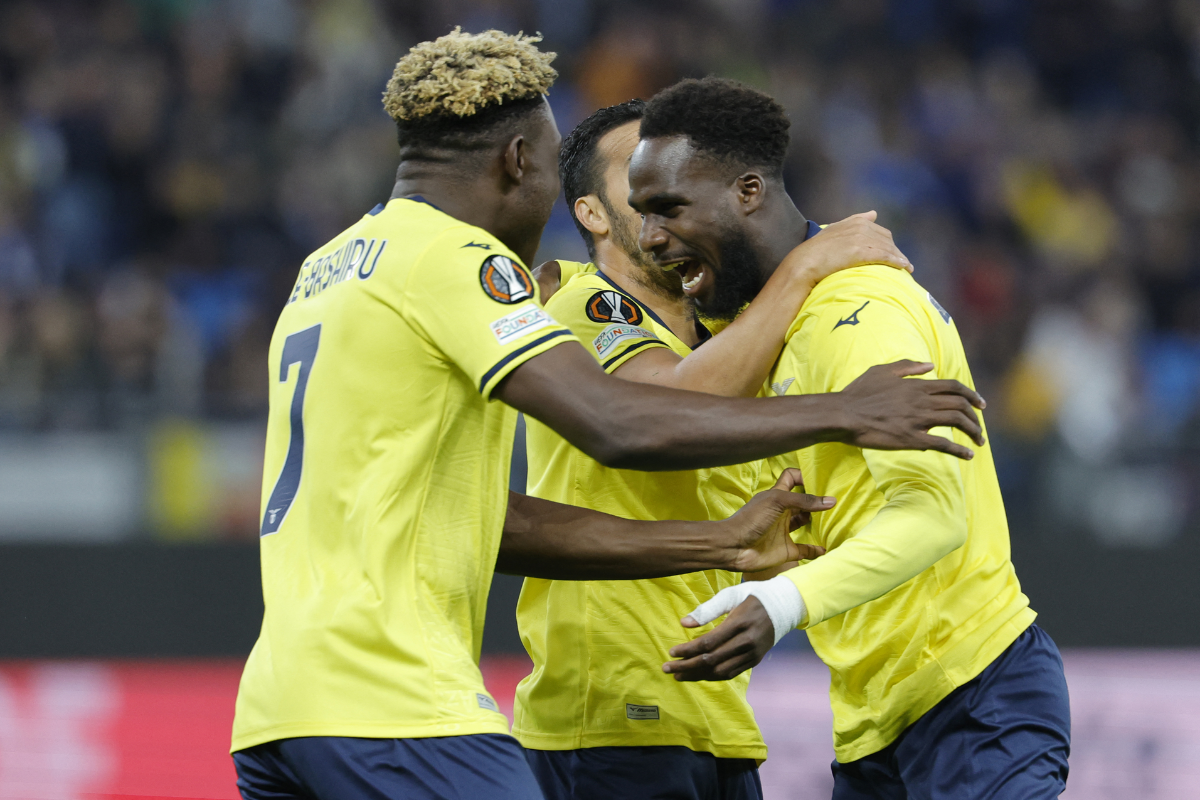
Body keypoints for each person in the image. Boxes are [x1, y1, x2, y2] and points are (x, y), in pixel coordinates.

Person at [231, 31, 989, 800]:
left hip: (279, 709)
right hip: (394, 701)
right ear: (520, 161)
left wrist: (717, 542)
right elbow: (619, 422)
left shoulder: (325, 269)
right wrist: (843, 411)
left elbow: (494, 522)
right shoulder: (460, 260)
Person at [625, 77, 1071, 799]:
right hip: (874, 720)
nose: (649, 237)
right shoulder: (762, 328)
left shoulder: (858, 311)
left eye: (668, 207)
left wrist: (782, 605)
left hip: (973, 694)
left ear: (746, 191)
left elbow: (933, 515)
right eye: (641, 214)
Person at [515, 99, 916, 800]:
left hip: (717, 714)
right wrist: (804, 265)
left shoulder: (729, 333)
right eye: (638, 184)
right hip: (610, 714)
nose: (661, 196)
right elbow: (670, 405)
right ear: (594, 215)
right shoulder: (580, 305)